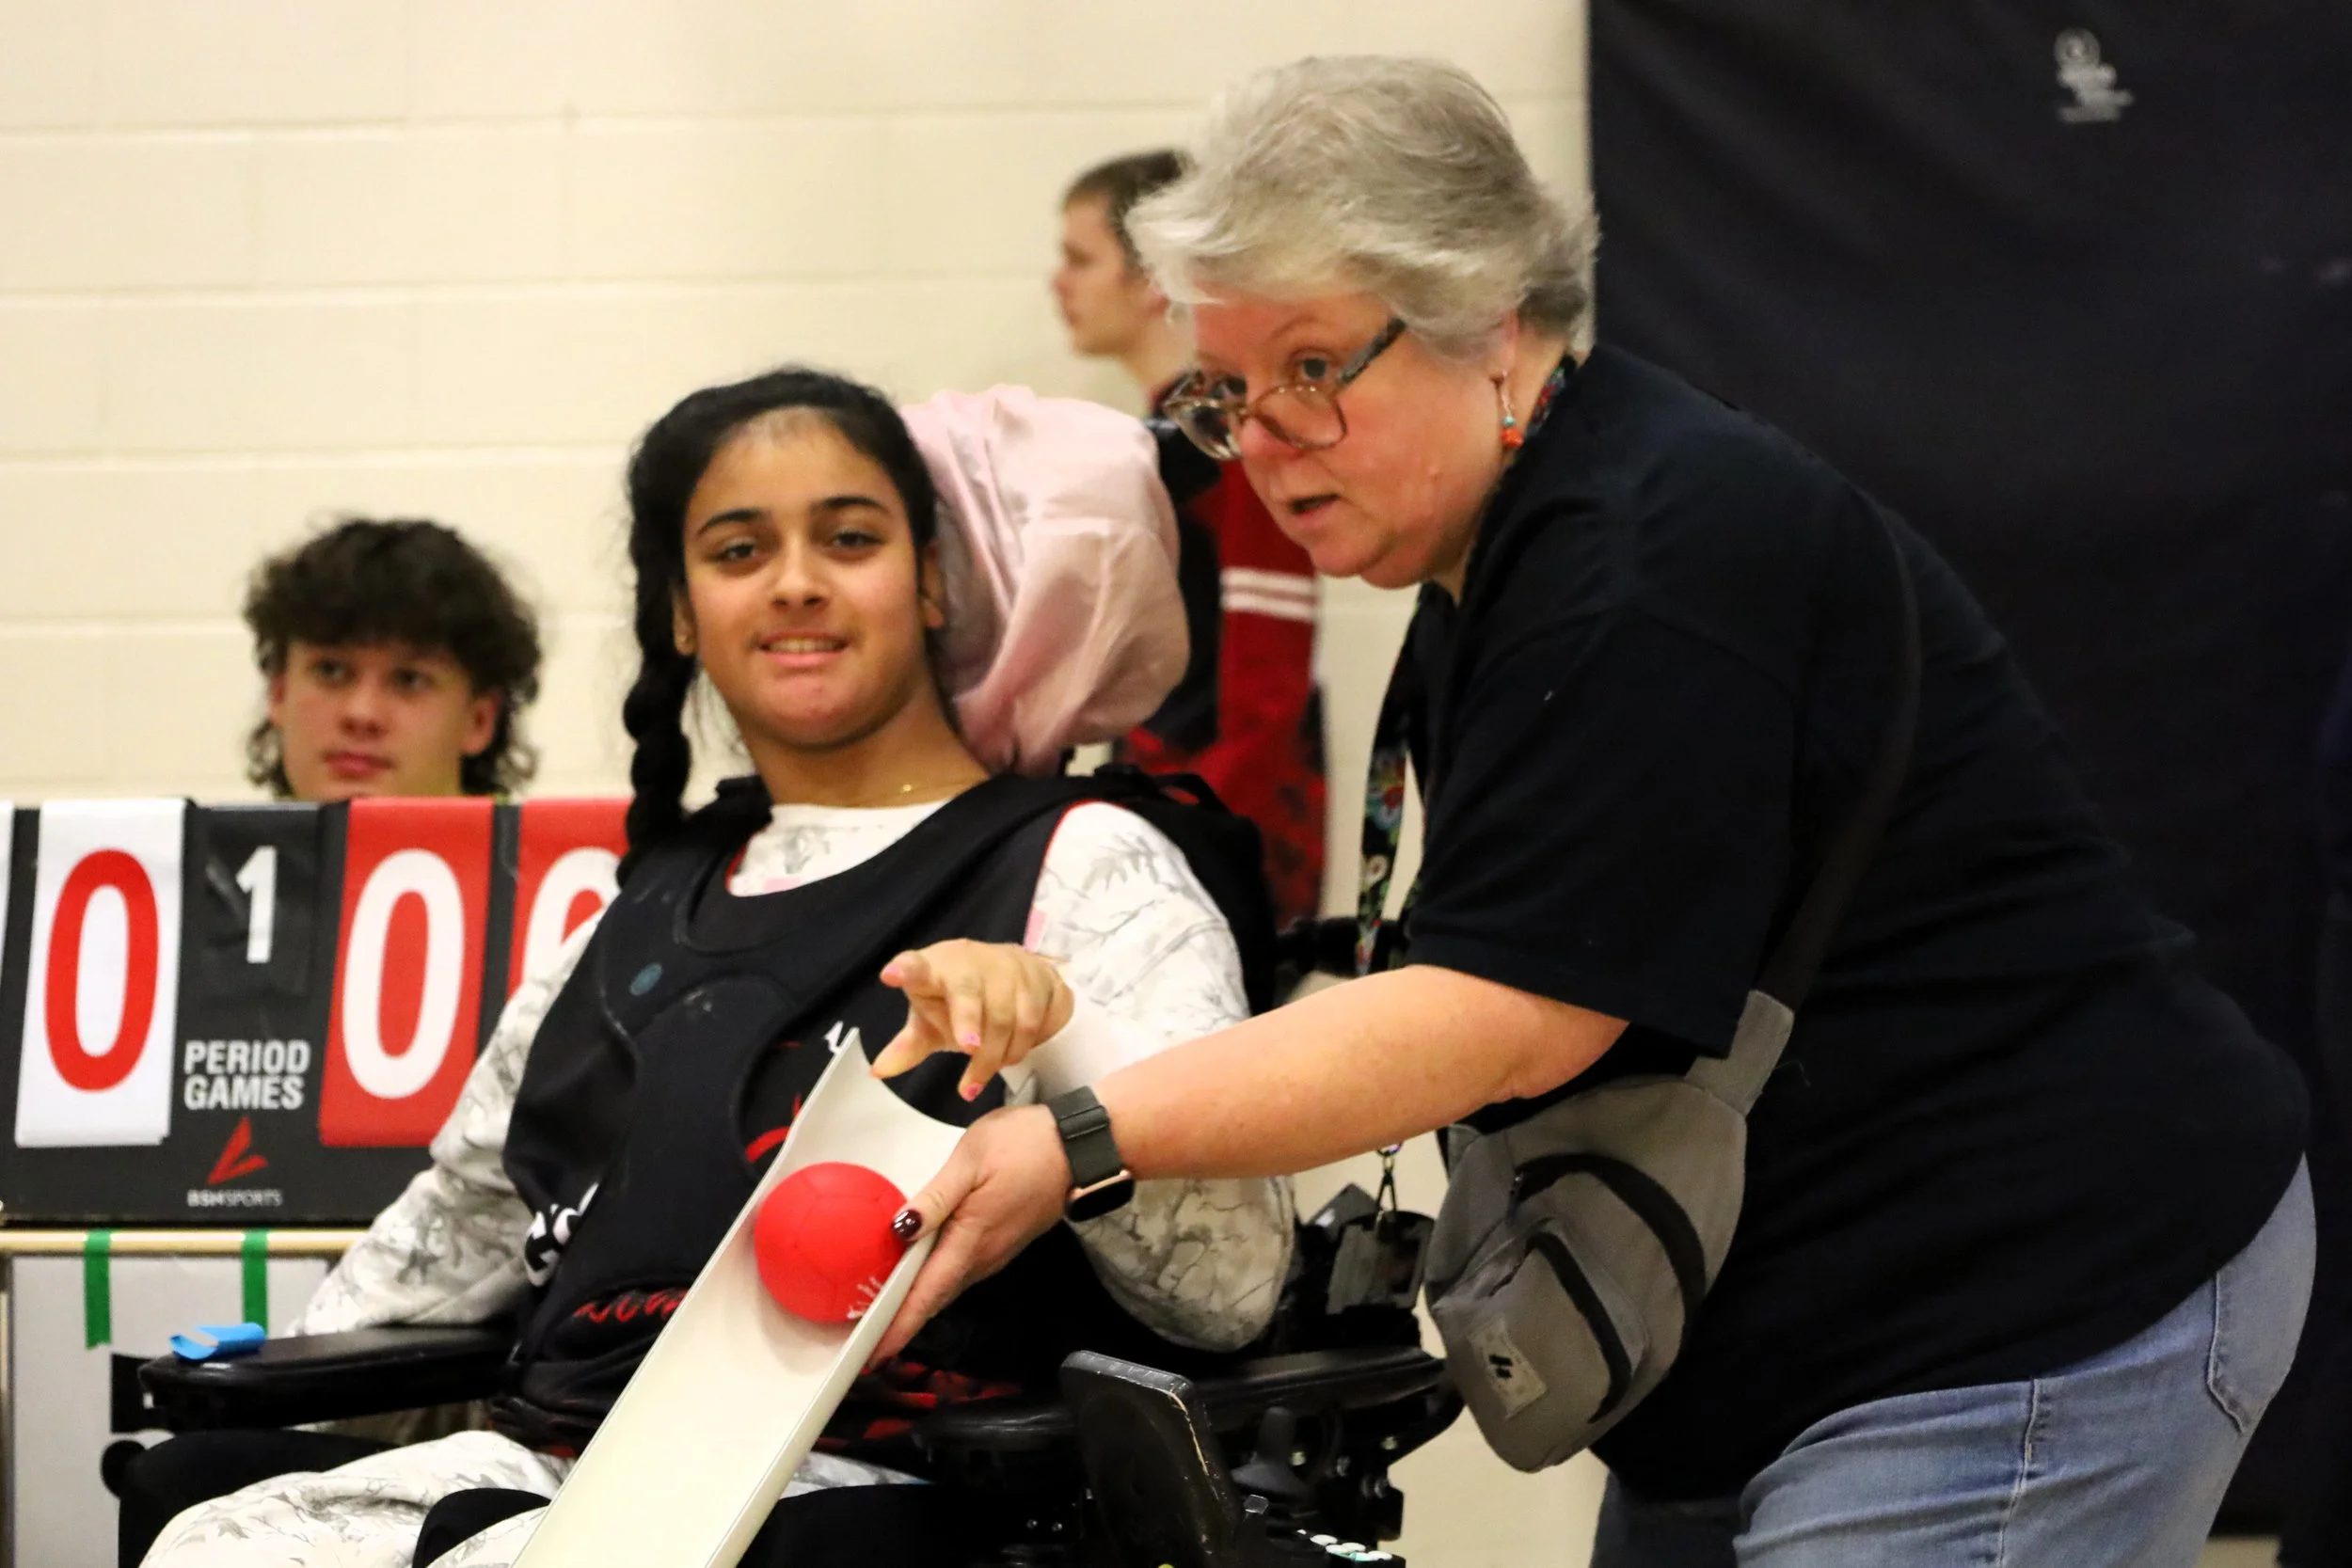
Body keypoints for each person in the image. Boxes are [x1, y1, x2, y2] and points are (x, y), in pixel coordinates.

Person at [879, 55, 2316, 1568]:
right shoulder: (1504, 552)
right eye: (1231, 392)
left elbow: (1512, 1010)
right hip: (1782, 1329)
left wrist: (1081, 1139)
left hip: (2020, 1301)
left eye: (1315, 369)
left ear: (1490, 320)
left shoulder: (1645, 554)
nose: (1272, 439)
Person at [134, 370, 1292, 1568]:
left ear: (933, 578)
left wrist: (1065, 1037)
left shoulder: (1086, 861)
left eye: (849, 538)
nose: (795, 580)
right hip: (570, 1458)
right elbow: (459, 1221)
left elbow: (1231, 1288)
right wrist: (275, 1376)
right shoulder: (640, 908)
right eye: (740, 550)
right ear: (682, 611)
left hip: (883, 1480)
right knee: (208, 1529)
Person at [1057, 151, 1327, 927]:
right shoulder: (1158, 436)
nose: (1059, 284)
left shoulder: (1235, 444)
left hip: (1221, 838)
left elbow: (1265, 691)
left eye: (1080, 259)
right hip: (1159, 810)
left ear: (1153, 282)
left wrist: (1203, 837)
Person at [243, 516, 543, 802]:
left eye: (408, 680)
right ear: (279, 695)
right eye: (331, 671)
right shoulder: (213, 854)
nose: (361, 714)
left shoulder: (532, 857)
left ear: (478, 722)